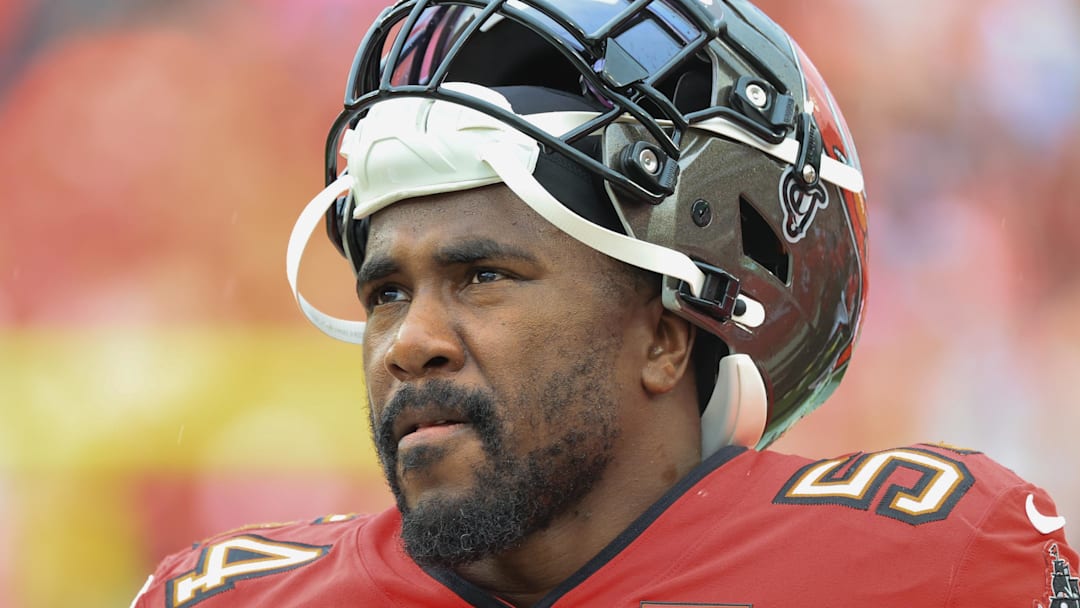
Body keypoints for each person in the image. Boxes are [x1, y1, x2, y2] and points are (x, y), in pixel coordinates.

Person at [132, 0, 1078, 606]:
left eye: (483, 277)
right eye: (386, 291)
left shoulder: (925, 566)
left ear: (665, 336)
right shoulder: (233, 596)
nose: (407, 344)